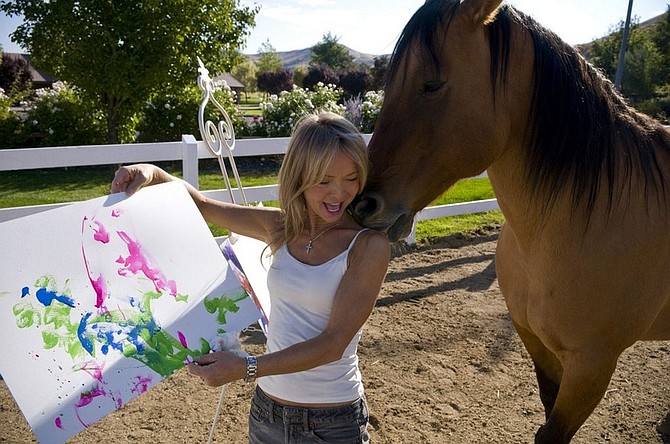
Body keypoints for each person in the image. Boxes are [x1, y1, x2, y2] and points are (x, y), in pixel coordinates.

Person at [110, 111, 390, 444]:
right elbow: (202, 205)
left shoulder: (368, 246)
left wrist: (245, 367)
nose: (339, 193)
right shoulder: (281, 227)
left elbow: (333, 345)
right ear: (300, 176)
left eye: (351, 178)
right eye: (324, 180)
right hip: (266, 413)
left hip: (331, 422)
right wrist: (152, 173)